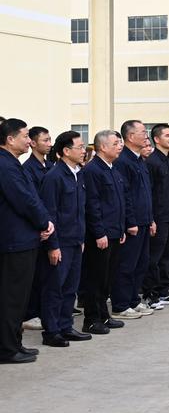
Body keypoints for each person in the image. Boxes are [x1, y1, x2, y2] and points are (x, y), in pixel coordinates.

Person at [0, 119, 54, 363]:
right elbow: (24, 200)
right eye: (24, 136)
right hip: (14, 241)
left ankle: (15, 343)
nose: (28, 140)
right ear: (10, 139)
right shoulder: (5, 165)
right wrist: (44, 222)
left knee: (18, 297)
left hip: (22, 238)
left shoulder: (12, 163)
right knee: (12, 298)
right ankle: (7, 349)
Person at [38, 130, 91, 348]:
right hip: (60, 243)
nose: (83, 151)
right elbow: (50, 214)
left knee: (70, 287)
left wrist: (81, 238)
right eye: (79, 147)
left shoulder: (79, 174)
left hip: (75, 241)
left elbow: (80, 210)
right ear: (66, 151)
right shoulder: (54, 177)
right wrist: (53, 246)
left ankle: (65, 326)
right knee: (55, 288)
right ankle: (51, 331)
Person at [79, 129, 127, 335]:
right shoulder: (92, 171)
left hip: (115, 232)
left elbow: (118, 202)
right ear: (103, 147)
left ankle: (103, 314)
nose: (120, 146)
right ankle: (91, 318)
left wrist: (121, 227)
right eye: (116, 143)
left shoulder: (112, 169)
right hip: (101, 235)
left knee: (107, 277)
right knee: (95, 278)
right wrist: (99, 233)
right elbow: (93, 205)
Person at [114, 120, 155, 319]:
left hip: (144, 220)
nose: (146, 135)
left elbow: (145, 193)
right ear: (130, 137)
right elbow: (126, 195)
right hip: (133, 223)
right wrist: (130, 222)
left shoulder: (139, 160)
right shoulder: (123, 161)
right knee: (127, 264)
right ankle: (121, 304)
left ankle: (133, 300)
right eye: (142, 132)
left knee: (141, 263)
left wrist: (151, 218)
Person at [20, 126, 52, 332]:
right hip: (38, 227)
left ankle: (43, 310)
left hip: (50, 224)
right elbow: (32, 201)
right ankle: (31, 313)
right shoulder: (28, 169)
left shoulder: (50, 166)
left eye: (50, 140)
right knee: (36, 273)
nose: (49, 143)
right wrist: (41, 223)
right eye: (45, 140)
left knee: (47, 273)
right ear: (33, 143)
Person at [145, 123, 169, 308]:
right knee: (155, 257)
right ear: (157, 139)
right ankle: (151, 294)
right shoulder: (152, 162)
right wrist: (151, 219)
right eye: (167, 135)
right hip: (158, 217)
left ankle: (164, 291)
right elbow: (149, 192)